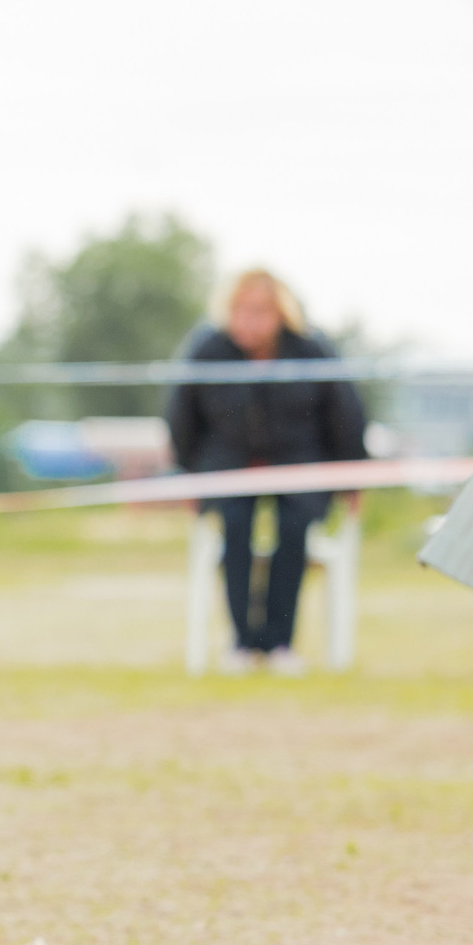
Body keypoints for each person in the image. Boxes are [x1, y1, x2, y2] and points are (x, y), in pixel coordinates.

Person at [166, 268, 367, 676]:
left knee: (293, 531)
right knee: (235, 529)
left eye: (259, 311)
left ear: (281, 313)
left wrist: (352, 475)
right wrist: (187, 473)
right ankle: (241, 643)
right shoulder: (208, 348)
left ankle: (279, 643)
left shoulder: (311, 349)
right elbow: (181, 416)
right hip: (228, 468)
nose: (249, 320)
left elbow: (344, 413)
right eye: (240, 310)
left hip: (298, 466)